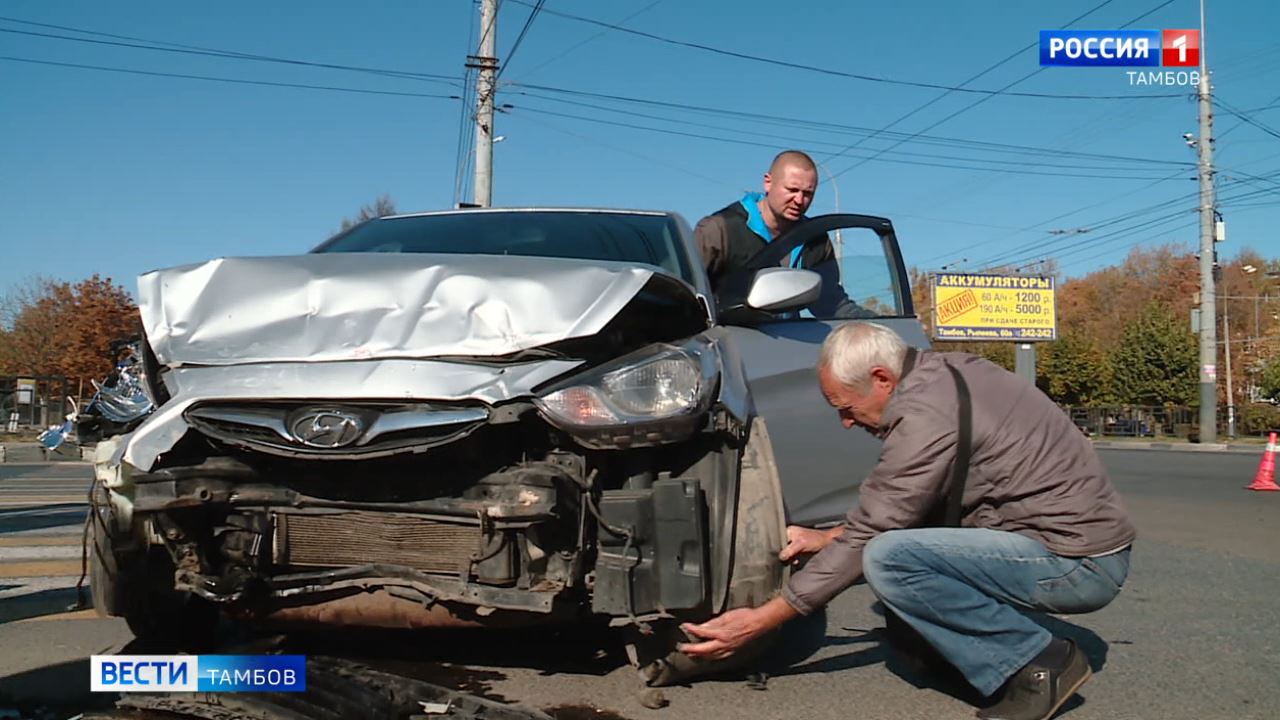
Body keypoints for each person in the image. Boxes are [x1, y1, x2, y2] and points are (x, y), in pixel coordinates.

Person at [679, 322, 1136, 720]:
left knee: (890, 560)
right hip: (1068, 543)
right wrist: (828, 540)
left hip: (1076, 564)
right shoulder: (946, 373)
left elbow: (876, 535)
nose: (845, 422)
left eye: (845, 407)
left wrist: (762, 620)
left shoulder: (924, 417)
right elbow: (905, 509)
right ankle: (962, 655)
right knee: (894, 558)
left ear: (881, 378)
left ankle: (1039, 662)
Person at [693, 150, 873, 318]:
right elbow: (687, 298)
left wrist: (880, 324)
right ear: (768, 182)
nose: (799, 200)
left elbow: (832, 303)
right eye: (792, 190)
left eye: (808, 193)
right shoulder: (718, 231)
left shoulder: (815, 238)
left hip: (788, 345)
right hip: (728, 345)